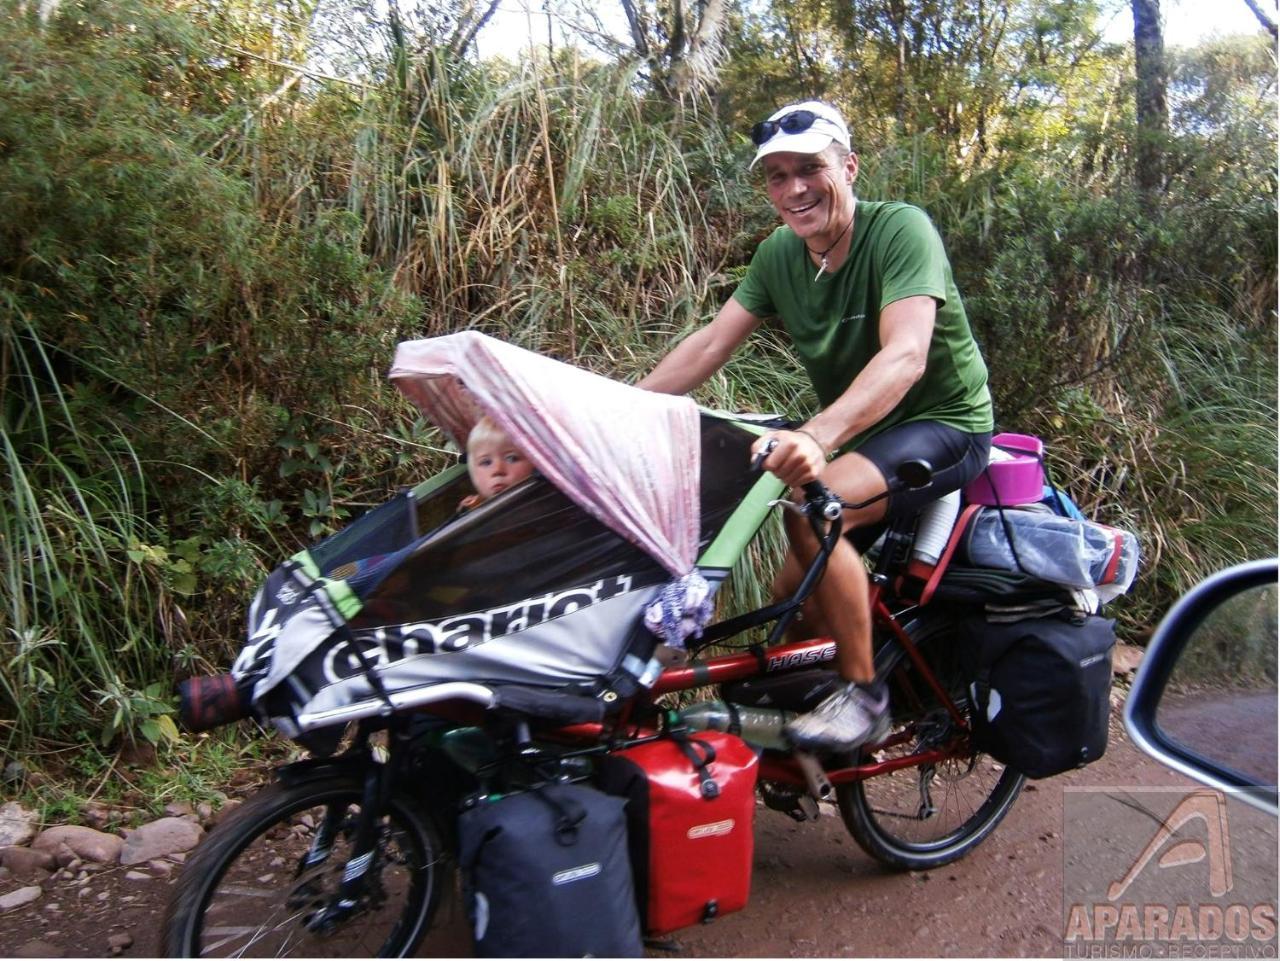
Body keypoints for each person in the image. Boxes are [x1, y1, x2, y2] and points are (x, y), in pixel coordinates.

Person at [638, 100, 993, 753]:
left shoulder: (899, 231)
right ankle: (799, 751)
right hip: (867, 436)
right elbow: (711, 344)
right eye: (776, 175)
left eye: (810, 168)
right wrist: (622, 409)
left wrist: (818, 435)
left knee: (811, 515)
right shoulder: (781, 255)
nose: (794, 188)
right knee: (793, 603)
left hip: (946, 426)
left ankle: (865, 696)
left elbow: (907, 354)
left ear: (849, 167)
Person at [459, 415, 535, 511]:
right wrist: (473, 509)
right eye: (486, 462)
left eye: (511, 458)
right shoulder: (479, 508)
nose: (497, 470)